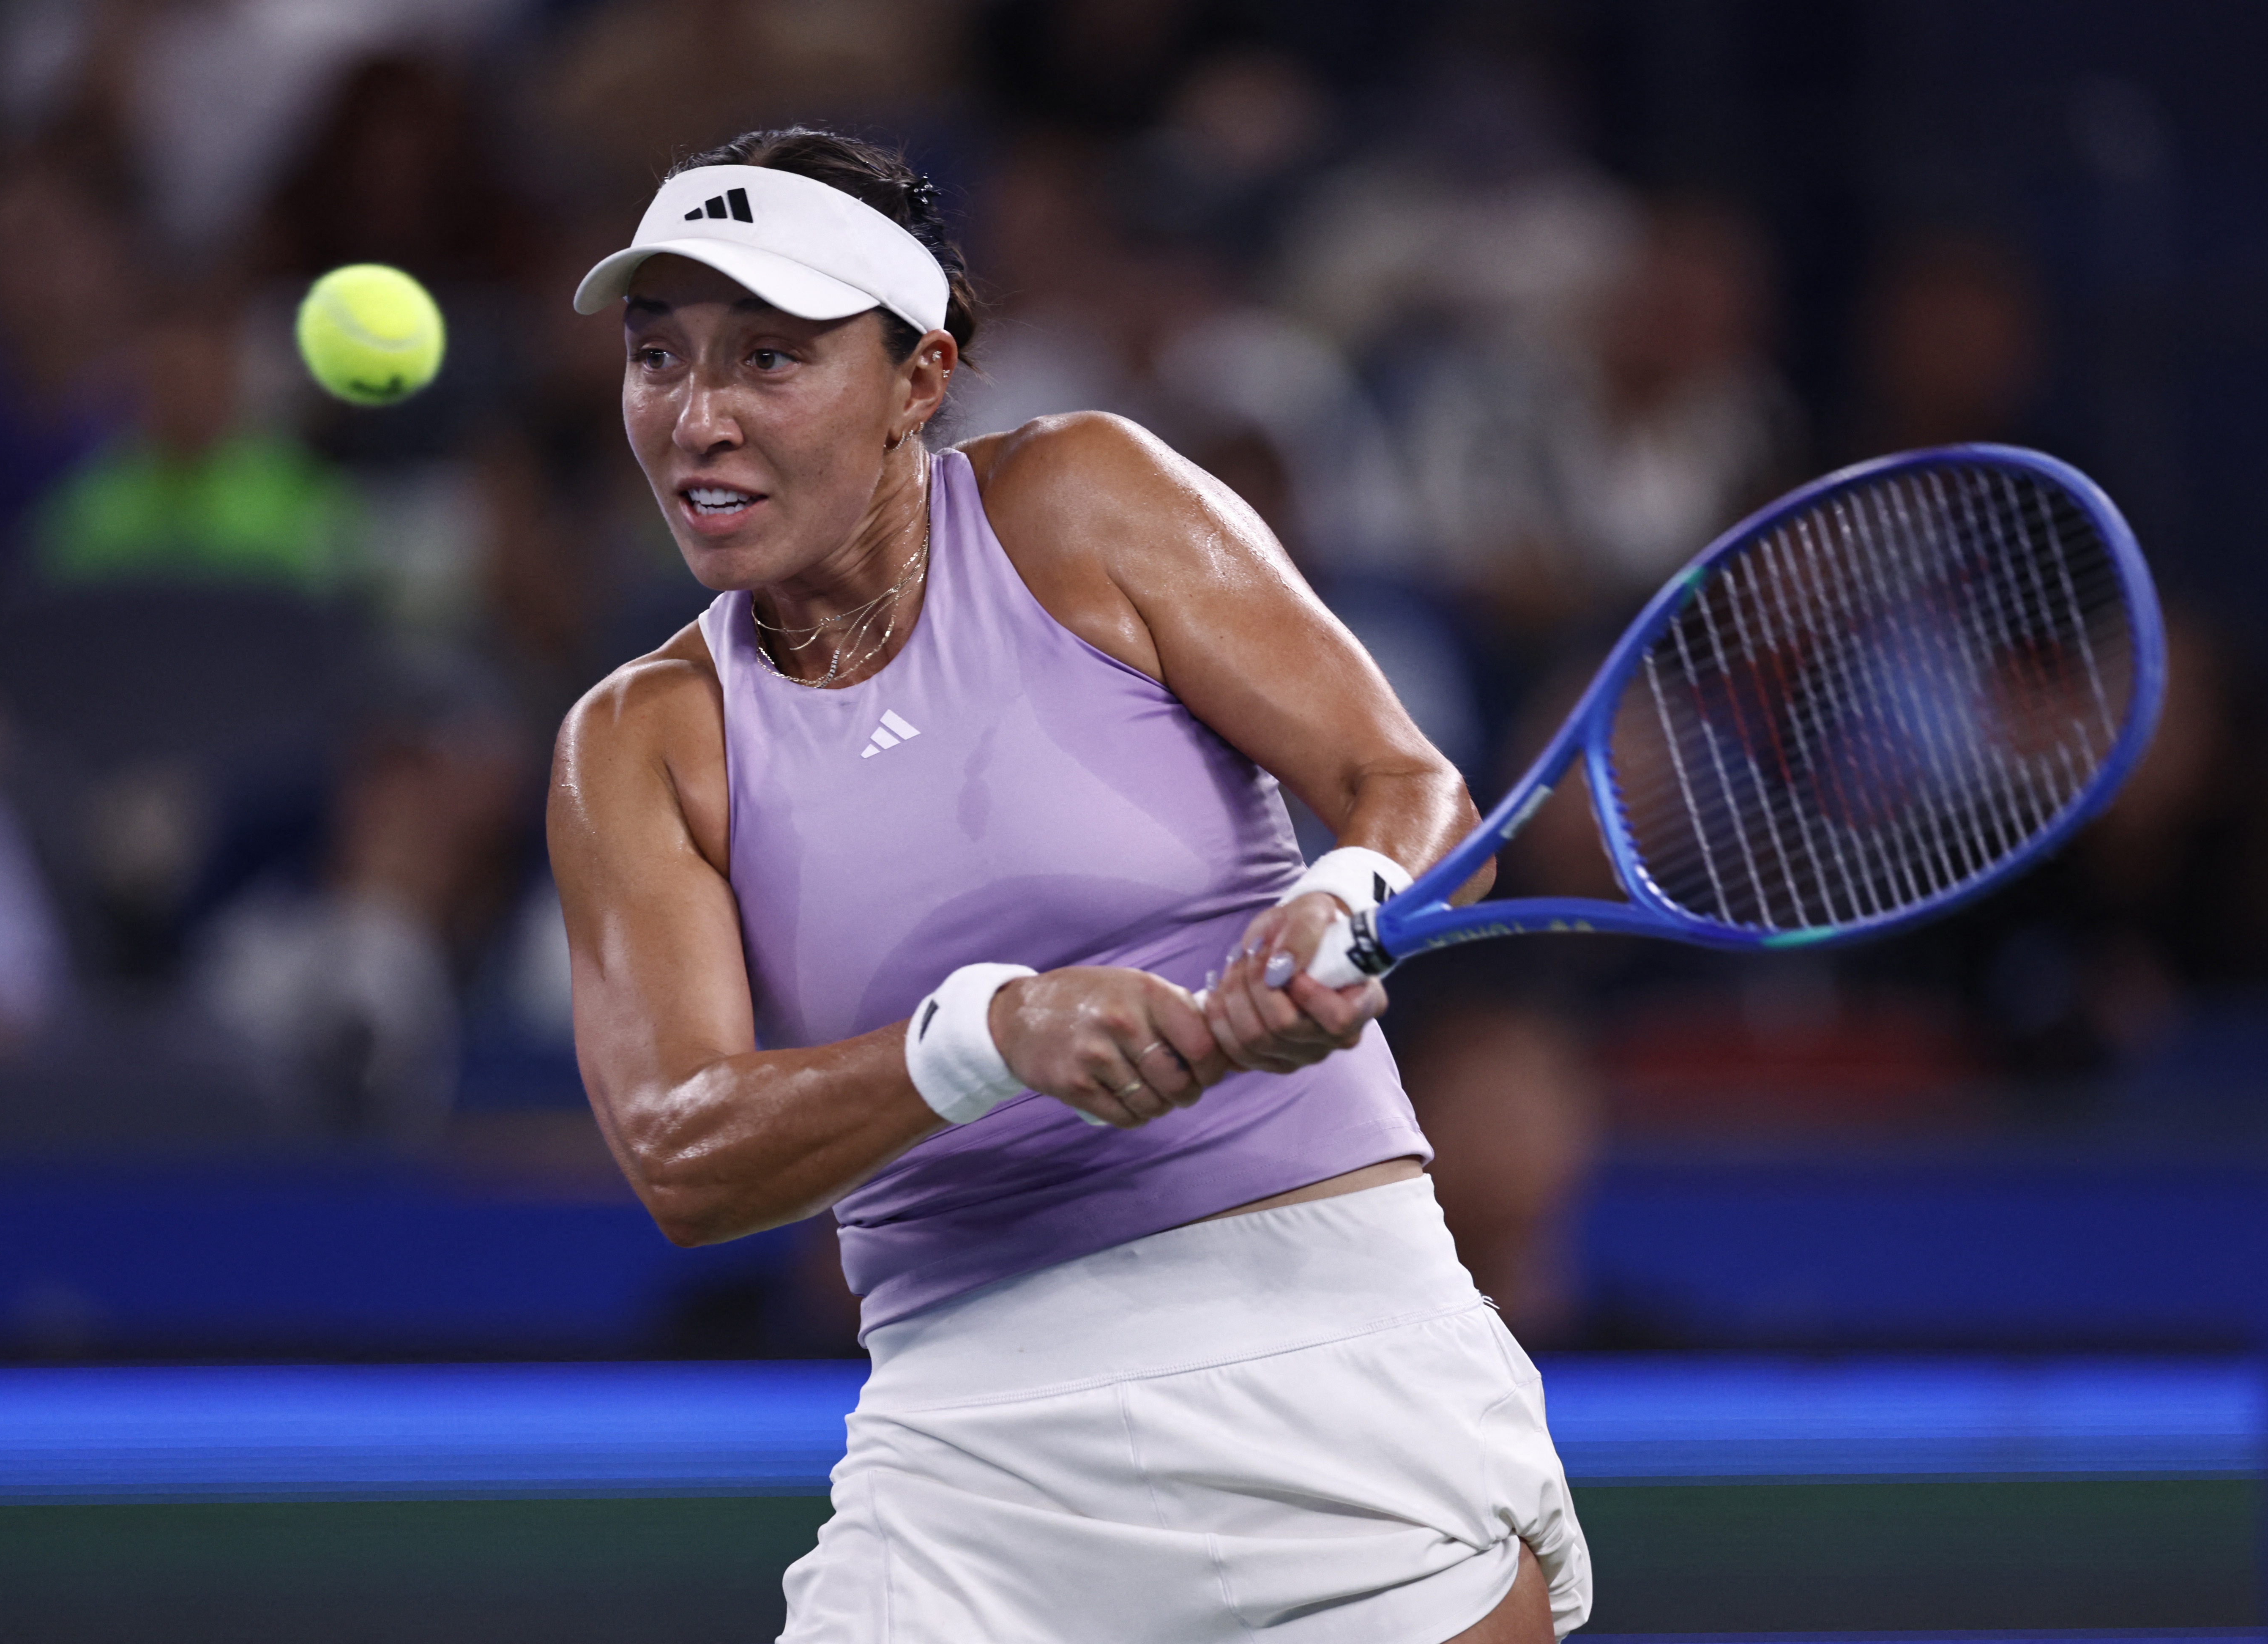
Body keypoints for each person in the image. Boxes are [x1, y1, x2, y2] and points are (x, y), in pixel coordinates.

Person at [548, 128, 1590, 1643]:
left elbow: (1415, 791)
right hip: (967, 1454)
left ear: (919, 378)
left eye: (770, 357)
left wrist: (1344, 903)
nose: (698, 417)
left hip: (1331, 1354)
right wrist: (988, 1036)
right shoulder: (639, 740)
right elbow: (682, 1154)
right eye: (660, 358)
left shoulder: (1084, 498)